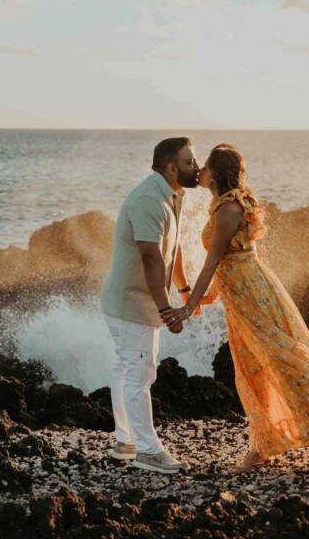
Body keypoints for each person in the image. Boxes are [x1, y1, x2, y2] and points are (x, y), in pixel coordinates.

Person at [162, 144, 309, 472]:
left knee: (282, 359)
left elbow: (213, 260)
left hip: (252, 295)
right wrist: (215, 293)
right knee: (252, 366)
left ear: (216, 174)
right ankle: (264, 446)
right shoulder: (225, 204)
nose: (200, 171)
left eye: (205, 166)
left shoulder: (228, 209)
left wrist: (189, 304)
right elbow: (237, 256)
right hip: (243, 292)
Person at [101, 137, 199, 474]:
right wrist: (165, 308)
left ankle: (126, 440)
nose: (196, 168)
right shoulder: (148, 199)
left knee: (126, 368)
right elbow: (151, 257)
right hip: (132, 301)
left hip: (133, 299)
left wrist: (184, 289)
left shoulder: (172, 195)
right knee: (140, 374)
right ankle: (147, 451)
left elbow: (174, 248)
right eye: (189, 162)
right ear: (171, 166)